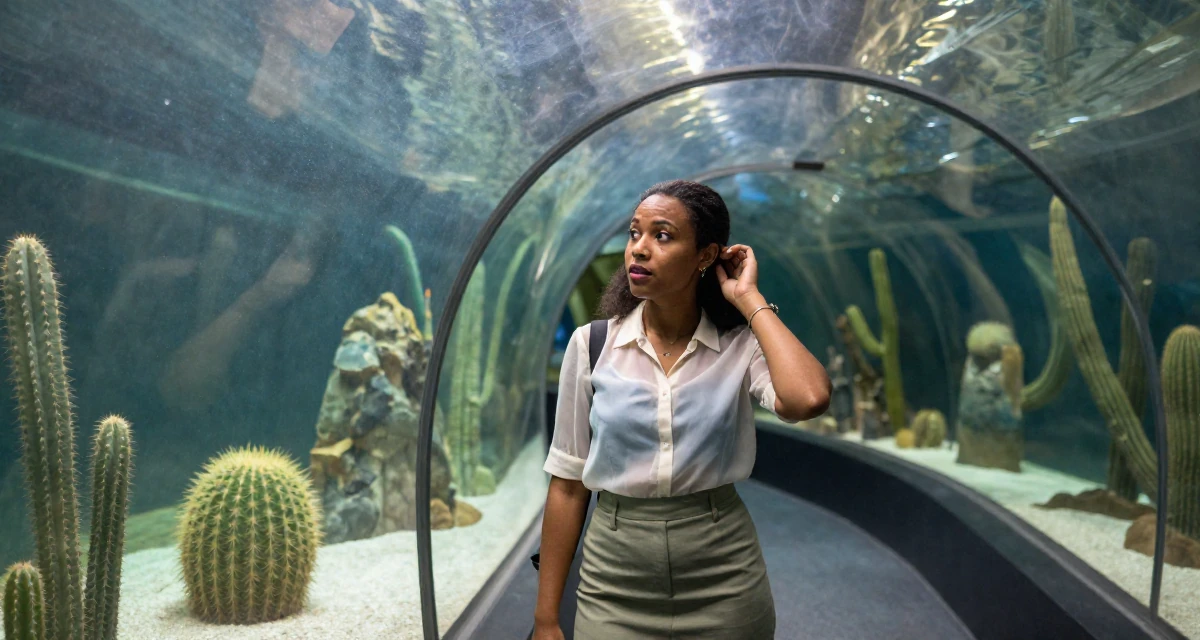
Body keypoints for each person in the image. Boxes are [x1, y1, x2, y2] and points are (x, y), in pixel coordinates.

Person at [534, 180, 832, 639]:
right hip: (614, 577)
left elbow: (808, 398)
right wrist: (546, 617)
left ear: (706, 256)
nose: (639, 249)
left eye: (663, 235)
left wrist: (748, 300)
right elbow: (568, 484)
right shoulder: (593, 344)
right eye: (635, 233)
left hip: (723, 573)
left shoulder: (739, 345)